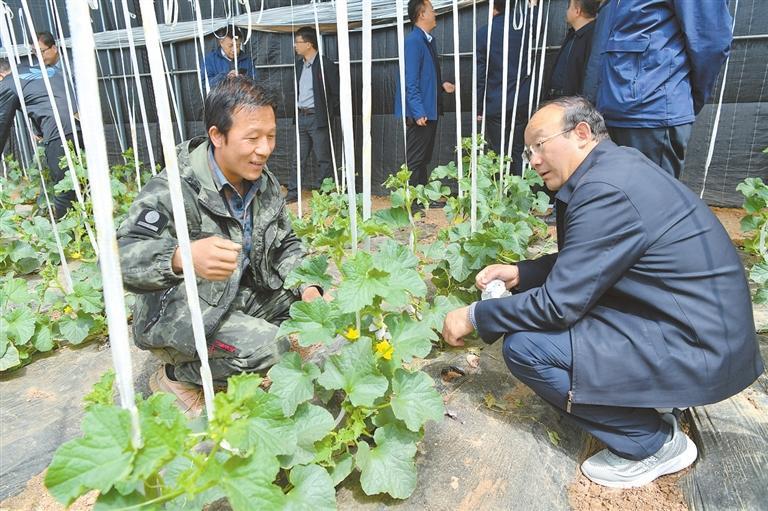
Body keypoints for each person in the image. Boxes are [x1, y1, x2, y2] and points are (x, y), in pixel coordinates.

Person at [441, 96, 764, 488]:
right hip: (695, 330)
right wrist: (521, 274)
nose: (534, 160)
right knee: (569, 325)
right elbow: (593, 259)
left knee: (527, 348)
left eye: (540, 145)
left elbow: (557, 307)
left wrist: (474, 316)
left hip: (697, 346)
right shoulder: (614, 170)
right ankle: (647, 404)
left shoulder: (605, 189)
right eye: (528, 152)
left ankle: (652, 443)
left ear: (581, 133)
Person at [117, 76, 324, 417]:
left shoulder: (262, 180)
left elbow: (285, 243)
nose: (265, 149)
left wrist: (310, 289)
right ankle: (177, 376)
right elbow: (118, 260)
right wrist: (181, 257)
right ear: (217, 135)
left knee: (316, 321)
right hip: (186, 313)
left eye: (271, 136)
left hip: (241, 297)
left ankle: (241, 357)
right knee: (273, 348)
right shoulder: (174, 188)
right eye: (253, 138)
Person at [581, 0, 733, 178]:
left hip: (652, 111)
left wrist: (687, 97)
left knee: (650, 199)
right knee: (612, 197)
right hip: (608, 112)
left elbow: (710, 40)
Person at [0, 58, 79, 219]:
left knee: (64, 185)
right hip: (85, 124)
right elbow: (46, 99)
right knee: (84, 179)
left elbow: (2, 121)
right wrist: (40, 130)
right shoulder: (47, 70)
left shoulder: (8, 83)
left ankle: (68, 233)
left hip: (59, 130)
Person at [394, 0, 455, 187]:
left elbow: (423, 77)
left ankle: (422, 196)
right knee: (415, 158)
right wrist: (418, 111)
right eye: (432, 10)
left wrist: (440, 85)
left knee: (423, 157)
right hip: (421, 111)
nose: (435, 13)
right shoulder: (413, 41)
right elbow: (409, 80)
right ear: (422, 14)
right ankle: (411, 201)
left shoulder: (425, 40)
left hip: (428, 108)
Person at [284, 26, 340, 203]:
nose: (295, 46)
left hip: (317, 117)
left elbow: (336, 93)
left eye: (298, 42)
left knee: (323, 158)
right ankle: (293, 192)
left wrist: (325, 113)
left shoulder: (325, 65)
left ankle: (325, 193)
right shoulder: (299, 65)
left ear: (309, 44)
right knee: (298, 158)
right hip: (301, 116)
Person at [476, 0, 531, 174]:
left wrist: (479, 107)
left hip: (495, 102)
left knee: (499, 151)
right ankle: (517, 192)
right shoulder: (524, 28)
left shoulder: (484, 33)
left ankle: (500, 195)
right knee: (518, 149)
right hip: (521, 100)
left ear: (493, 7)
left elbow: (481, 74)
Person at [544, 0, 597, 99]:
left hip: (571, 105)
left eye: (569, 7)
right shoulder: (574, 34)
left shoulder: (592, 37)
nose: (566, 10)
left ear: (577, 11)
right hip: (559, 100)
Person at [199, 26, 257, 92]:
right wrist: (225, 77)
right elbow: (205, 84)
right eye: (230, 46)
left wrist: (243, 79)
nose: (234, 50)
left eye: (237, 46)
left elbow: (255, 81)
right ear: (221, 42)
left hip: (242, 100)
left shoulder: (247, 60)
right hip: (220, 100)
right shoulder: (209, 60)